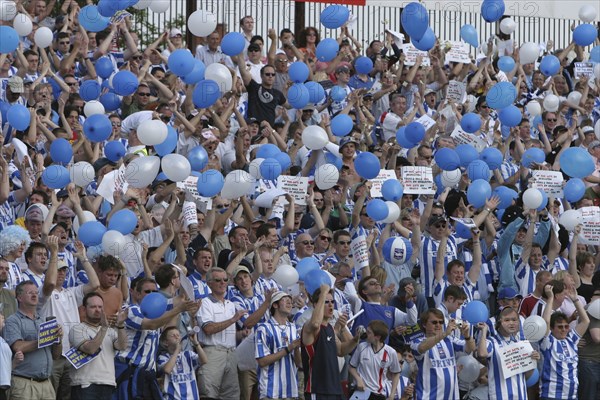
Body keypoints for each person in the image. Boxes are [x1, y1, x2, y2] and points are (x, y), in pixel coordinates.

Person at [114, 277, 196, 400]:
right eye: (147, 292)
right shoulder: (131, 310)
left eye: (154, 292)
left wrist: (183, 284)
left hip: (147, 375)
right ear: (137, 294)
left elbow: (180, 299)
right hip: (129, 372)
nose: (151, 295)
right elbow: (152, 324)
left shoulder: (157, 309)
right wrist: (178, 309)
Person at [3, 280, 64, 400]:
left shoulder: (43, 321)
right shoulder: (13, 320)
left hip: (46, 384)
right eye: (30, 292)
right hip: (24, 384)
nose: (35, 295)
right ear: (19, 297)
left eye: (36, 292)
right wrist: (44, 340)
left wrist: (58, 339)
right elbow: (18, 347)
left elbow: (56, 355)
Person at [301, 285, 360, 400]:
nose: (331, 304)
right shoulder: (309, 326)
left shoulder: (330, 329)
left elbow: (341, 350)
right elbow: (315, 324)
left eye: (332, 301)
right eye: (326, 302)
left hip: (335, 388)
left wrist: (355, 339)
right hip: (317, 389)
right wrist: (323, 292)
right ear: (315, 305)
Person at [196, 267, 247, 400]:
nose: (223, 283)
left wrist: (241, 334)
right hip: (212, 353)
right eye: (218, 280)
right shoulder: (204, 303)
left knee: (231, 395)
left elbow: (228, 333)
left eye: (225, 280)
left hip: (231, 352)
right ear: (209, 283)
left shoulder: (230, 304)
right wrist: (233, 319)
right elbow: (208, 329)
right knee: (208, 394)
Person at [68, 292, 128, 399]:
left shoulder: (110, 331)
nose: (97, 310)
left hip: (108, 383)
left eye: (100, 307)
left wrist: (121, 325)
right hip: (85, 384)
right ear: (84, 309)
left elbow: (122, 346)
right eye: (93, 307)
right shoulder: (77, 329)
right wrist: (104, 328)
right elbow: (90, 349)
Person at [539, 283, 589, 400]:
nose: (564, 329)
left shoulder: (571, 340)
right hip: (551, 396)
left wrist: (575, 300)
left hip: (571, 396)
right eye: (560, 327)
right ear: (552, 328)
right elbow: (545, 321)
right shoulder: (548, 341)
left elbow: (585, 321)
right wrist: (550, 298)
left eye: (566, 326)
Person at [477, 307, 541, 400]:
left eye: (514, 320)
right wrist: (484, 332)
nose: (511, 323)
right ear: (499, 322)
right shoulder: (492, 342)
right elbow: (482, 354)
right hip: (500, 396)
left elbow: (526, 377)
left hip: (520, 395)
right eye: (507, 320)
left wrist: (532, 362)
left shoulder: (520, 344)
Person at [411, 309, 475, 399]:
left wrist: (467, 336)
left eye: (441, 322)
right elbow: (421, 348)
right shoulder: (416, 342)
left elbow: (471, 349)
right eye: (434, 322)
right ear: (424, 324)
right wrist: (444, 333)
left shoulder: (449, 340)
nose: (438, 325)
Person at [255, 291, 302, 400]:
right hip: (270, 391)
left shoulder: (293, 328)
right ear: (275, 305)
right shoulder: (263, 329)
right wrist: (288, 349)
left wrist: (297, 348)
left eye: (290, 301)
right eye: (285, 300)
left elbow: (298, 363)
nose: (289, 303)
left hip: (291, 391)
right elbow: (262, 361)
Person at [349, 320, 402, 400]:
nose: (366, 334)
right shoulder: (362, 347)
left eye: (369, 332)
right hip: (359, 392)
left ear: (377, 337)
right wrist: (358, 379)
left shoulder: (390, 352)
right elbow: (351, 367)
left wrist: (392, 394)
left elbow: (396, 373)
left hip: (377, 395)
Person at [157, 325, 208, 400]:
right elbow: (167, 370)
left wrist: (196, 344)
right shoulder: (163, 357)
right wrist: (177, 350)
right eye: (173, 336)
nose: (177, 337)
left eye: (178, 335)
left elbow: (204, 360)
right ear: (166, 343)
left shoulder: (188, 354)